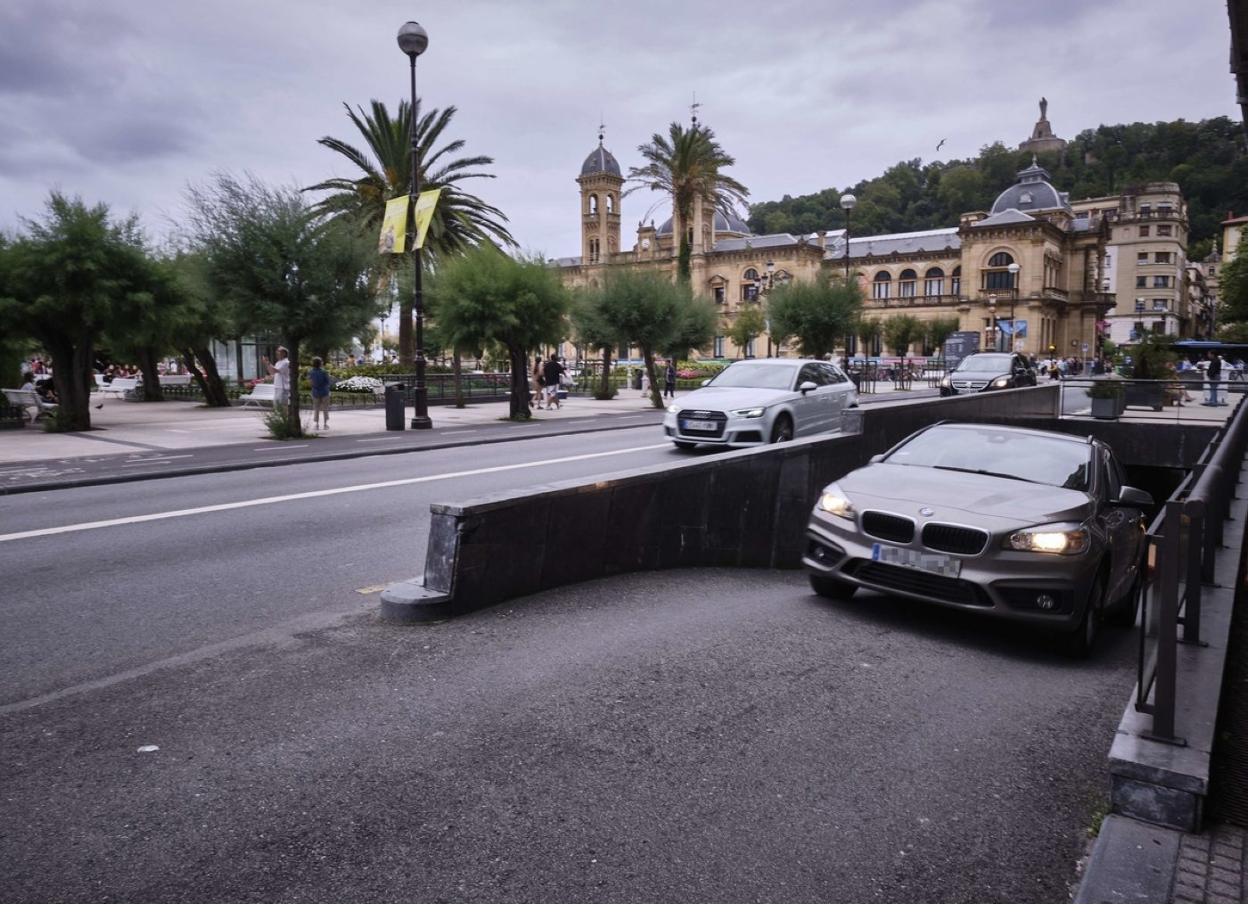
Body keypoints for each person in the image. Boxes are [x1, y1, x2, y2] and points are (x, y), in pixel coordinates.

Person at [308, 356, 332, 430]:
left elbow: (310, 382)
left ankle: (317, 424)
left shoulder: (311, 372)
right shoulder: (324, 372)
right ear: (320, 363)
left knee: (316, 408)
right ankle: (325, 424)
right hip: (324, 391)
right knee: (325, 408)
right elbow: (328, 382)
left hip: (315, 392)